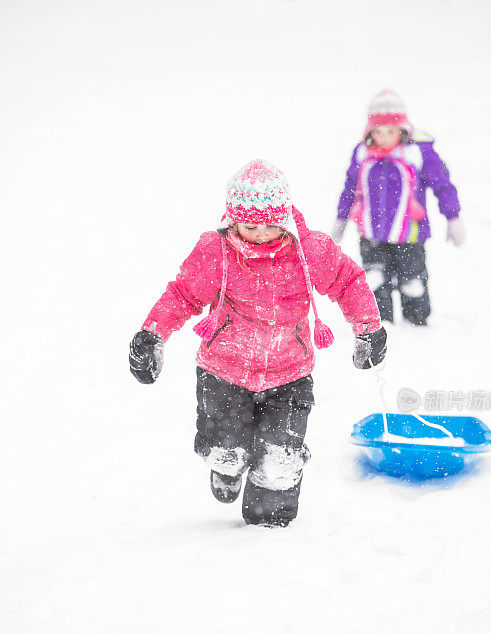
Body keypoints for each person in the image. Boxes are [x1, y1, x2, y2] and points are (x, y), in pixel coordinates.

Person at [129, 159, 386, 528]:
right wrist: (152, 335)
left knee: (280, 461)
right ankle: (226, 469)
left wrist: (368, 329)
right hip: (224, 372)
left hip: (289, 374)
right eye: (250, 226)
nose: (261, 234)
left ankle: (267, 534)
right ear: (233, 219)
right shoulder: (216, 251)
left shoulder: (309, 251)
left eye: (270, 225)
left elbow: (348, 281)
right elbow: (183, 294)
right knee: (226, 450)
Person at [332, 89, 465, 326]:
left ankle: (417, 324)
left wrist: (453, 217)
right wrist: (340, 220)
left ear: (403, 129)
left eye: (391, 131)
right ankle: (380, 327)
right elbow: (350, 187)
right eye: (379, 131)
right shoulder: (362, 152)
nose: (385, 137)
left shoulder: (419, 152)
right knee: (374, 280)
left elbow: (443, 185)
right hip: (371, 235)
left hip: (410, 236)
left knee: (412, 282)